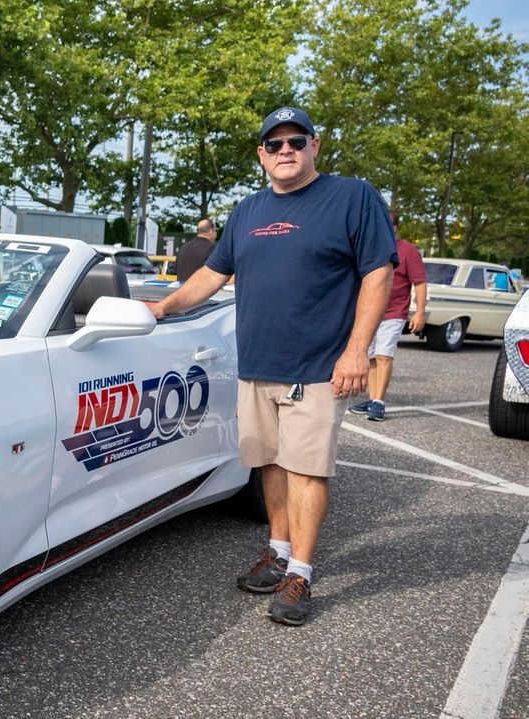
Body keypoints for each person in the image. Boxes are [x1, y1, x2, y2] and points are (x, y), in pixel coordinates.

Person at [146, 106, 396, 626]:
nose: (286, 151)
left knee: (307, 468)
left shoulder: (351, 197)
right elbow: (213, 276)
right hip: (257, 364)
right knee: (271, 464)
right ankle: (277, 551)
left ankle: (300, 572)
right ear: (262, 154)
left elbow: (378, 273)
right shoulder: (248, 211)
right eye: (275, 144)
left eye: (296, 141)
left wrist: (357, 350)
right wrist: (163, 307)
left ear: (315, 146)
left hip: (319, 366)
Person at [349, 211, 427, 421]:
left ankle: (379, 403)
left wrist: (419, 311)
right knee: (372, 357)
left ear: (394, 228)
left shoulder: (408, 251)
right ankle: (373, 399)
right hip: (369, 313)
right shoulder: (368, 247)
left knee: (384, 355)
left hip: (394, 313)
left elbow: (419, 282)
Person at [175, 218, 217, 283]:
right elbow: (215, 274)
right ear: (211, 231)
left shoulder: (184, 247)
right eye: (216, 230)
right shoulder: (211, 248)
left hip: (182, 290)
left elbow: (176, 270)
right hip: (201, 291)